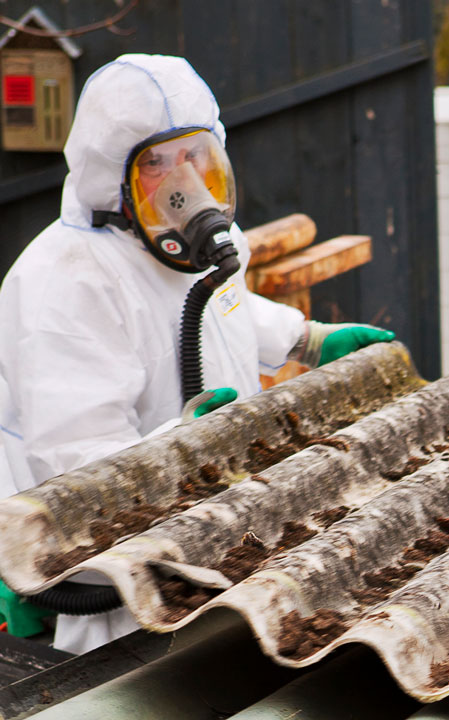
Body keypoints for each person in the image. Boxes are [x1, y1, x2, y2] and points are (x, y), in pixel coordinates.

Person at [0, 54, 394, 654]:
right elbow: (74, 462)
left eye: (194, 155)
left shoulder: (198, 246)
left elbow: (220, 308)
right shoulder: (66, 283)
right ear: (111, 178)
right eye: (155, 163)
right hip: (118, 577)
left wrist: (305, 339)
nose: (182, 182)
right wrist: (184, 445)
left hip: (217, 524)